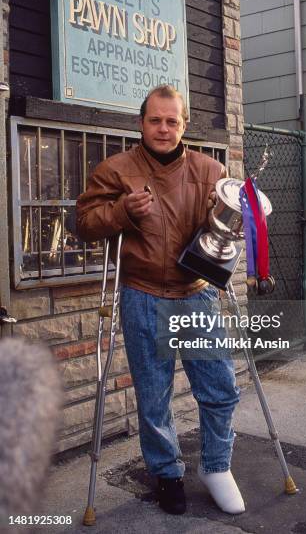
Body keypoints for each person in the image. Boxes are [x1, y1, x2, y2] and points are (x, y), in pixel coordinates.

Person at [76, 85, 244, 516]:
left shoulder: (210, 169)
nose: (164, 129)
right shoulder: (116, 169)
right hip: (144, 294)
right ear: (141, 123)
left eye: (172, 121)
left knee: (220, 388)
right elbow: (84, 223)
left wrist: (228, 215)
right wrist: (122, 212)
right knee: (154, 397)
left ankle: (216, 466)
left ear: (184, 124)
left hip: (195, 295)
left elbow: (230, 226)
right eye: (155, 120)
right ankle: (167, 472)